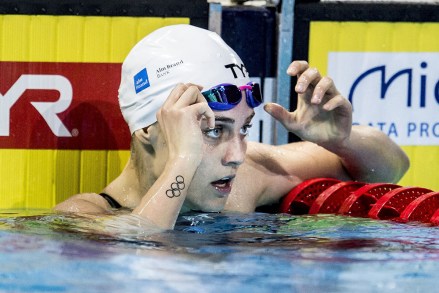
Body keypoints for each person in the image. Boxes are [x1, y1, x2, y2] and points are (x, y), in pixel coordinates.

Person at [54, 24, 409, 229]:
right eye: (212, 130)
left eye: (243, 129)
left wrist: (341, 141)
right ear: (148, 129)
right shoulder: (85, 217)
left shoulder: (246, 178)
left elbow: (391, 170)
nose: (237, 156)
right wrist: (184, 160)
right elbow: (140, 250)